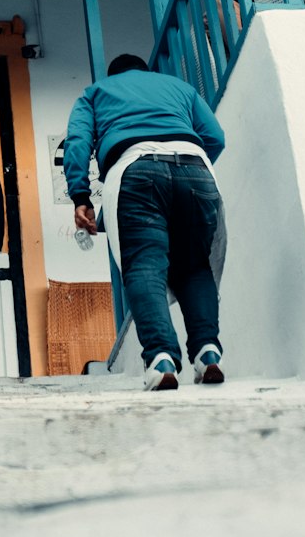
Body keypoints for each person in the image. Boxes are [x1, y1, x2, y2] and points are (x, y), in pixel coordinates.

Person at [63, 53, 226, 392]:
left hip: (134, 169)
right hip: (197, 169)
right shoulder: (179, 88)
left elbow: (78, 143)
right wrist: (187, 168)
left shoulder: (95, 93)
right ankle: (208, 353)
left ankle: (161, 358)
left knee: (144, 267)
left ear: (114, 75)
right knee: (195, 268)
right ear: (145, 72)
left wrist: (81, 197)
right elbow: (216, 137)